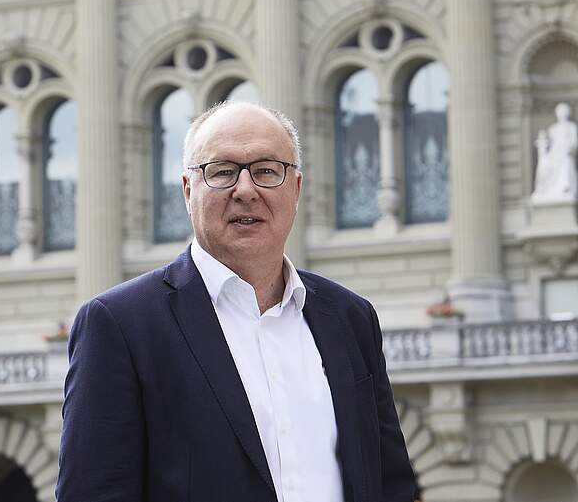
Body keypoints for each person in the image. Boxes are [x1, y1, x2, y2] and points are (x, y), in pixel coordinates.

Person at [56, 101, 416, 502]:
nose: (246, 191)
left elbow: (391, 483)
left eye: (266, 170)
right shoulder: (120, 325)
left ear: (295, 189)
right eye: (223, 172)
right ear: (188, 190)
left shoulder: (351, 318)